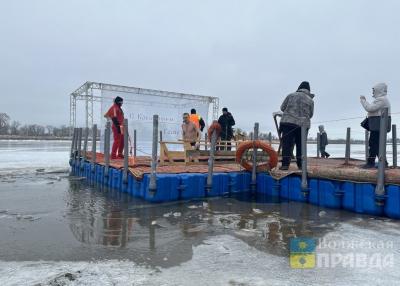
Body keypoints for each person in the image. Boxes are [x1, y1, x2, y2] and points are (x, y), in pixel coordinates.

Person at [279, 81, 314, 170]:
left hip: (288, 123)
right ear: (308, 90)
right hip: (302, 125)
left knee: (287, 144)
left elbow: (282, 108)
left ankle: (285, 165)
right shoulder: (310, 100)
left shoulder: (291, 95)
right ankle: (301, 165)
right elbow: (310, 114)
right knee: (301, 145)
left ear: (299, 88)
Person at [360, 83, 391, 168]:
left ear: (378, 90)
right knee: (376, 144)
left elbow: (369, 108)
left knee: (373, 143)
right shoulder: (383, 99)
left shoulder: (381, 100)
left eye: (374, 90)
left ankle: (371, 163)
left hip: (378, 126)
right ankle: (383, 163)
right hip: (379, 125)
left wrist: (363, 100)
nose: (373, 92)